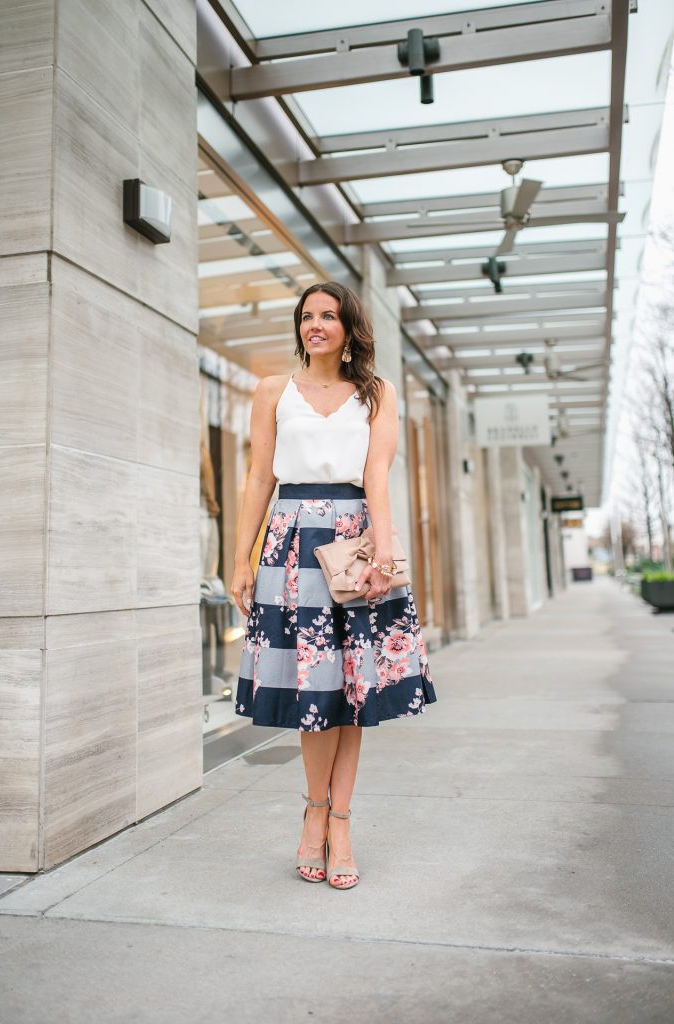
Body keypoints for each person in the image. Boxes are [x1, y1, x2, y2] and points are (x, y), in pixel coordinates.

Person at [231, 281, 436, 890]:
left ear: (349, 327)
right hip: (291, 545)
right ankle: (314, 812)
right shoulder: (273, 391)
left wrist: (384, 553)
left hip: (352, 544)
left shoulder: (376, 394)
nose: (314, 324)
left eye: (327, 315)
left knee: (351, 693)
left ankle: (338, 822)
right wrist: (240, 559)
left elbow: (377, 474)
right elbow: (256, 478)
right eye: (305, 316)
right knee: (312, 691)